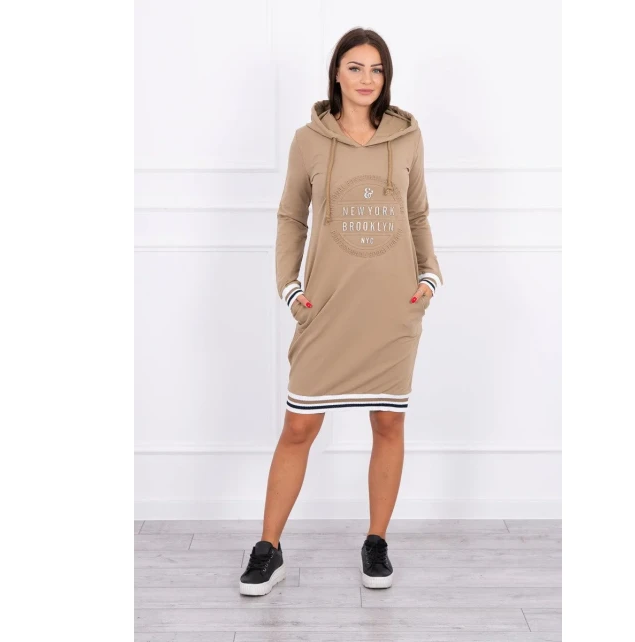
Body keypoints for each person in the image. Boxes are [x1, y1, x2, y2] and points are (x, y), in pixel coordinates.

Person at [239, 27, 443, 597]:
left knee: (388, 423)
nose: (366, 79)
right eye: (355, 67)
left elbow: (418, 213)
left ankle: (376, 541)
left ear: (386, 77)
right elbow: (291, 216)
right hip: (326, 306)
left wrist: (429, 276)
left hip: (393, 309)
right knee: (299, 426)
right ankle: (268, 547)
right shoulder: (309, 140)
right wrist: (288, 287)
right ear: (336, 73)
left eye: (376, 69)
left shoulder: (407, 137)